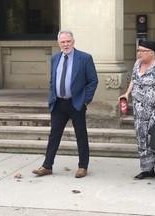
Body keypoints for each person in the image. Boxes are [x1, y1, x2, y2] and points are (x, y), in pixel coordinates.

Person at [32, 30, 98, 178]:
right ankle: (47, 166)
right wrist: (52, 96)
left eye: (68, 41)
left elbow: (93, 80)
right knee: (54, 135)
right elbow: (52, 80)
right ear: (59, 43)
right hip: (58, 104)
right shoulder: (55, 58)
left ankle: (83, 166)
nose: (66, 44)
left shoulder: (85, 58)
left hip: (76, 104)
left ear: (73, 41)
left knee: (81, 135)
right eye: (63, 42)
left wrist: (86, 100)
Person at [118, 40, 155, 180]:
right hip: (139, 109)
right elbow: (133, 79)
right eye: (138, 50)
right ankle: (147, 169)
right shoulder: (137, 64)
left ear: (151, 52)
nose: (139, 53)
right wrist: (127, 93)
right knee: (141, 138)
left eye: (142, 51)